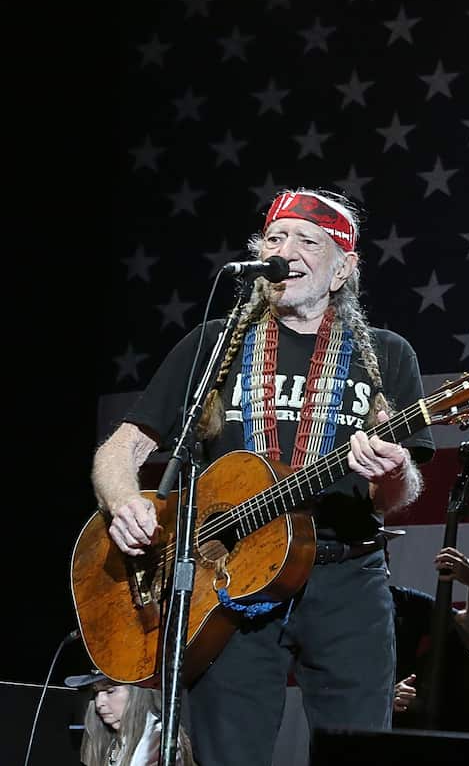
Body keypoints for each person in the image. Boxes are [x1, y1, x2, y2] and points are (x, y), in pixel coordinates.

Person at [90, 188, 435, 766]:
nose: (286, 250)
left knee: (359, 751)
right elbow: (119, 451)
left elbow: (395, 495)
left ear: (342, 270)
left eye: (308, 241)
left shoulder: (385, 353)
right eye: (275, 238)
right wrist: (125, 501)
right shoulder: (216, 343)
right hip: (227, 580)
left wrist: (395, 470)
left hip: (345, 577)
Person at [390, 545, 469, 720]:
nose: (384, 555)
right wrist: (382, 698)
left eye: (384, 548)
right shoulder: (333, 610)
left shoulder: (403, 601)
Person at [66, 669, 195, 766]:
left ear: (136, 692)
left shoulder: (158, 739)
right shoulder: (114, 739)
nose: (99, 703)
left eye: (110, 691)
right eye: (96, 693)